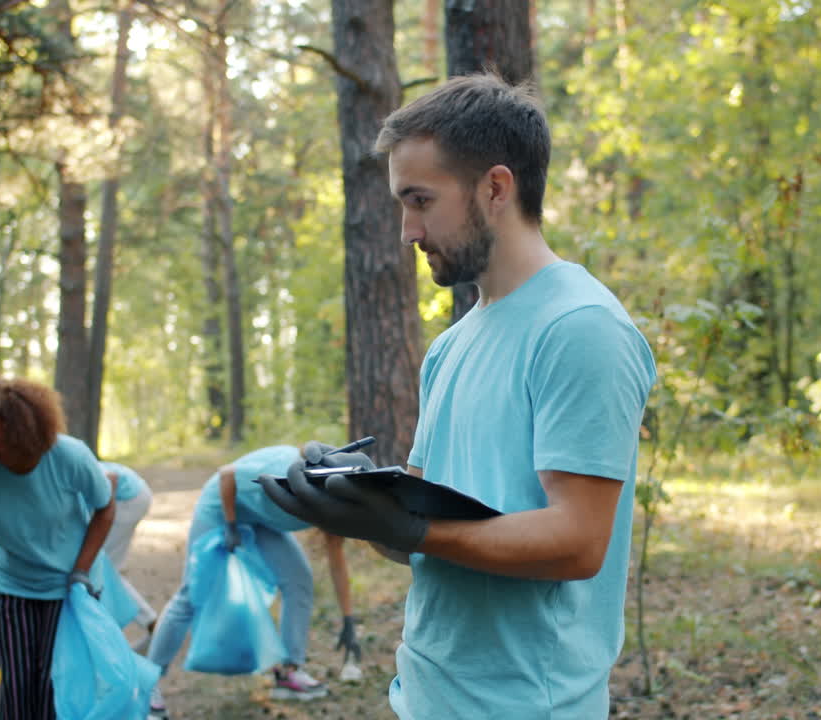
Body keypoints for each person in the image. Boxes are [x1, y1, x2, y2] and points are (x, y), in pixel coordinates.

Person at [260, 72, 657, 719]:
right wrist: (364, 503)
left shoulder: (580, 327)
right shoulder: (453, 345)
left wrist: (414, 525)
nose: (406, 231)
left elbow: (579, 541)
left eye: (419, 200)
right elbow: (422, 537)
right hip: (427, 696)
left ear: (495, 188)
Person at [0, 376, 115, 720]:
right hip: (13, 586)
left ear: (26, 433)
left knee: (55, 689)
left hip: (71, 589)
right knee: (17, 694)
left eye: (1, 441)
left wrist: (81, 569)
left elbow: (105, 507)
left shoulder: (67, 455)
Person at [145, 445, 359, 718]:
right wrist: (232, 525)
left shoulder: (333, 504)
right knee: (191, 592)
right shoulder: (282, 471)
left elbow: (336, 561)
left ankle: (289, 672)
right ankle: (148, 682)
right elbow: (227, 475)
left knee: (299, 580)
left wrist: (348, 619)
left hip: (261, 516)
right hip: (222, 506)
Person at [97, 460, 159, 648]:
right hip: (135, 491)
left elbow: (110, 478)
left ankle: (152, 624)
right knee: (104, 568)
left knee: (103, 568)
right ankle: (151, 623)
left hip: (126, 499)